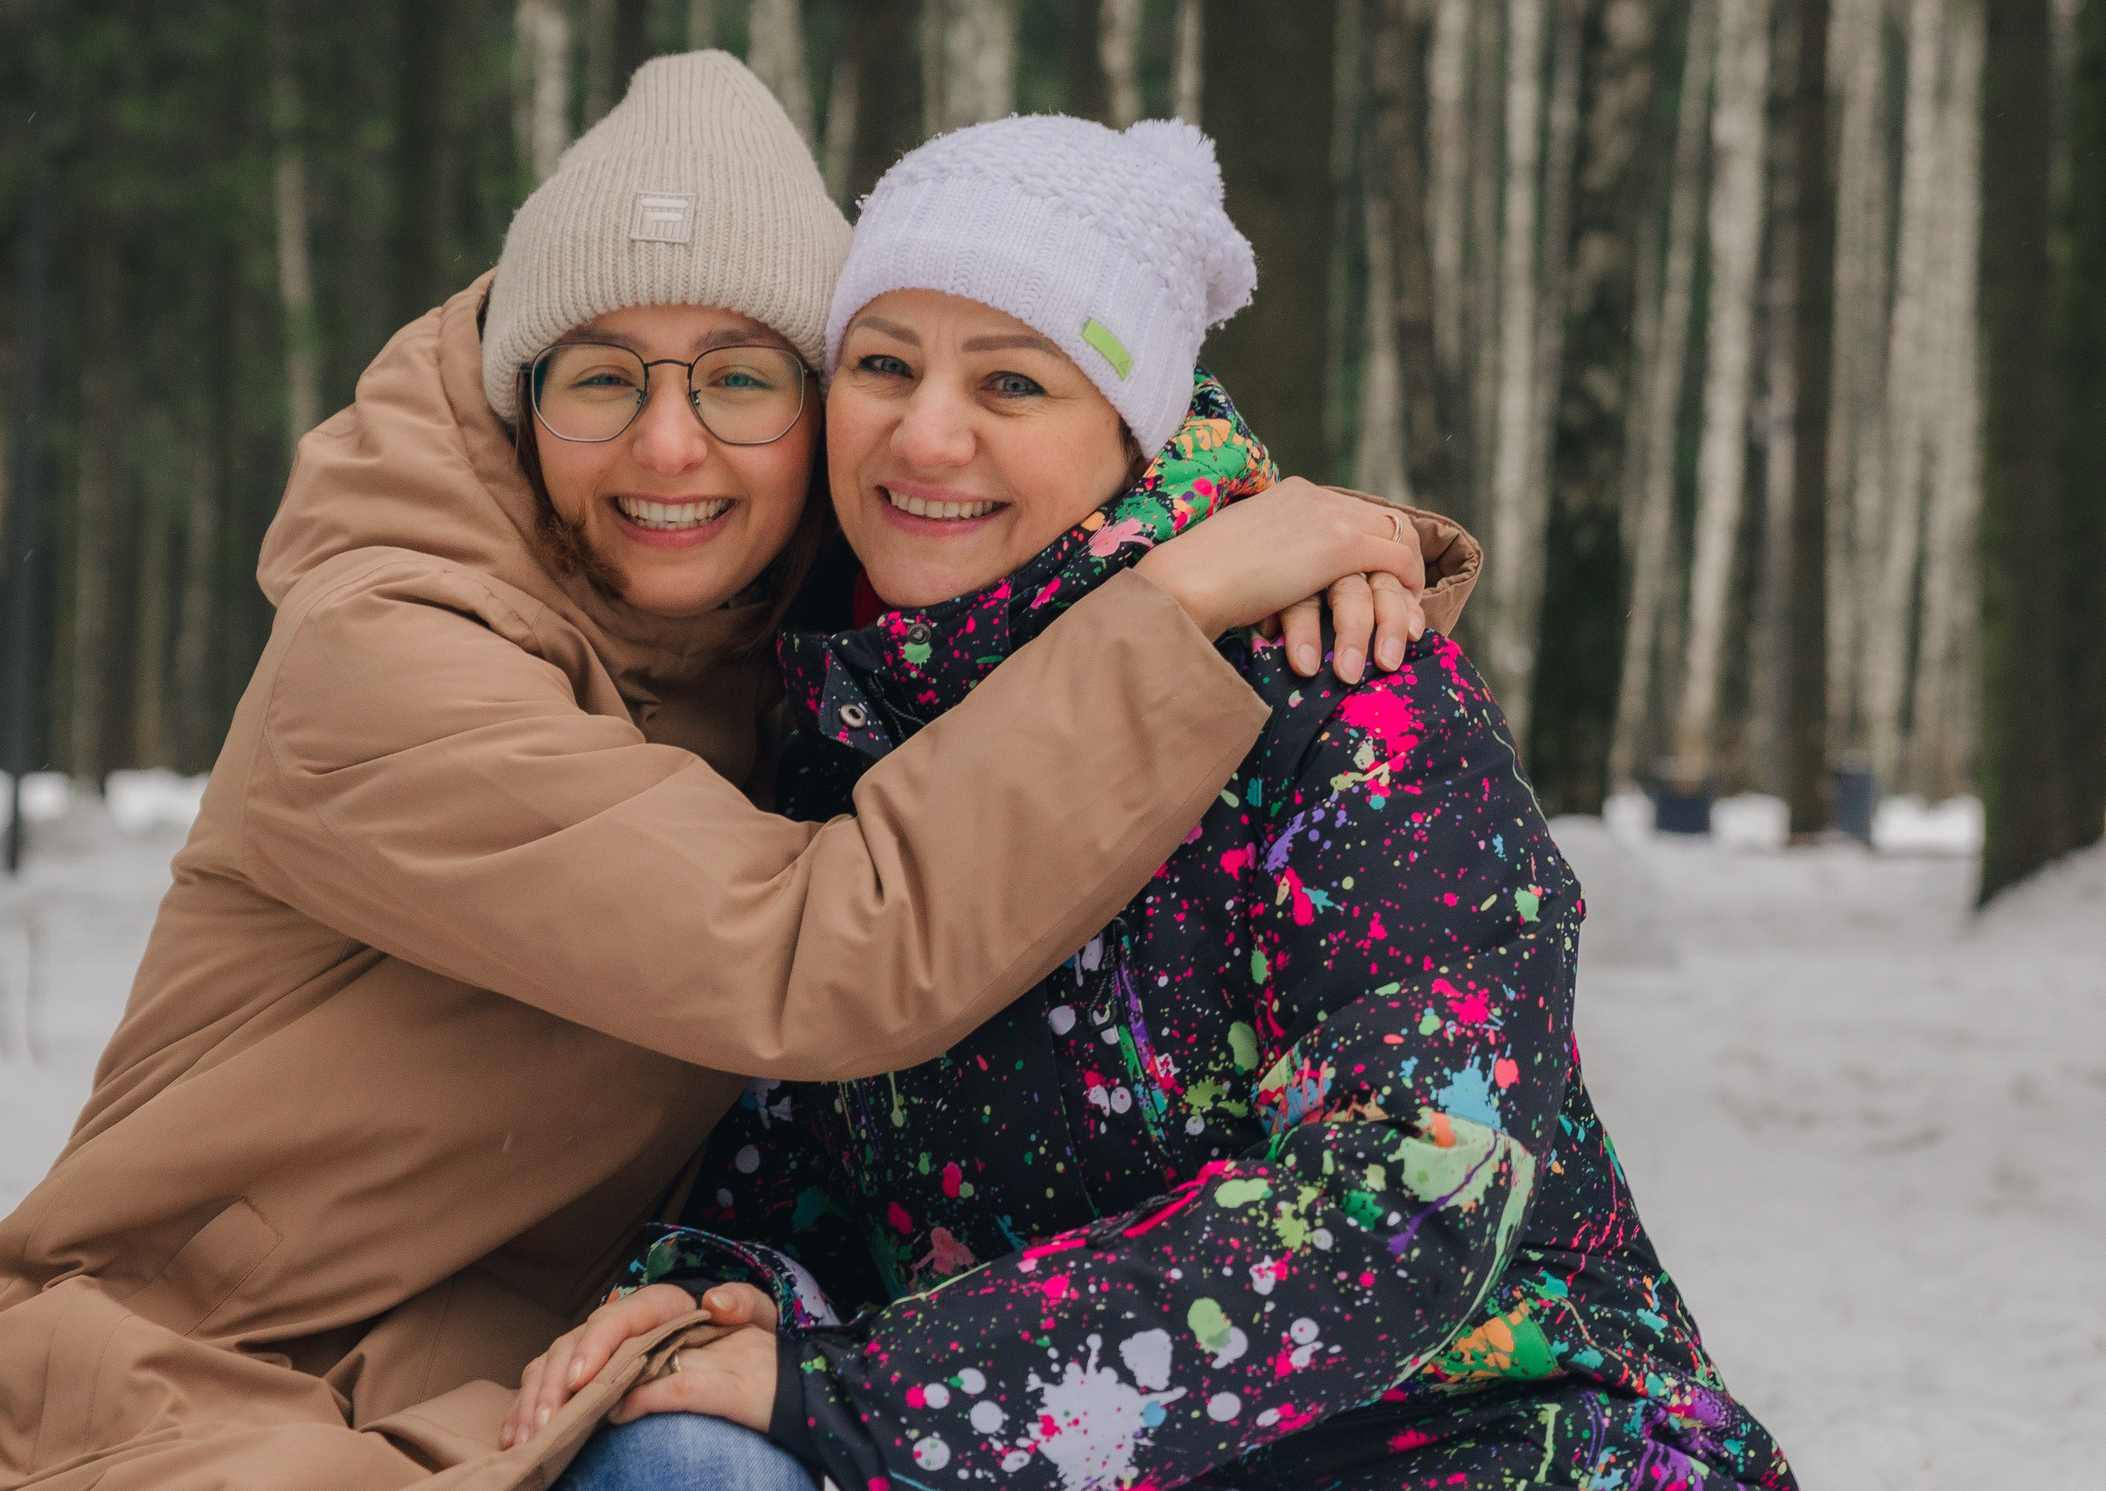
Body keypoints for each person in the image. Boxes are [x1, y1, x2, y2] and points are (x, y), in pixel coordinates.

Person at [0, 56, 1436, 1491]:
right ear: (519, 403)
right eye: (602, 377)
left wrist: (1314, 550)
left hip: (485, 1391)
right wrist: (1188, 597)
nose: (668, 449)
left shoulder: (800, 651)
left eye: (740, 378)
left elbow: (1035, 479)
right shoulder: (387, 660)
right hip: (161, 1401)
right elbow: (819, 950)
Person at [516, 116, 1795, 1491]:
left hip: (1494, 1445)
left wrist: (867, 1395)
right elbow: (796, 1162)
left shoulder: (1339, 690)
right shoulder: (842, 718)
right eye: (882, 365)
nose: (925, 433)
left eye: (1013, 382)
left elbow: (1409, 1190)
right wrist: (715, 1294)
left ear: (1133, 431)